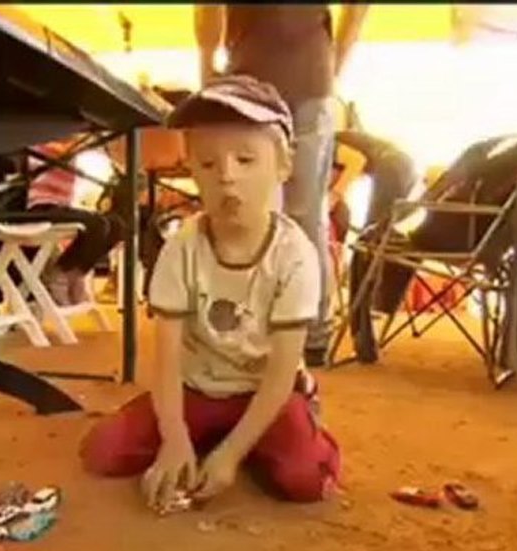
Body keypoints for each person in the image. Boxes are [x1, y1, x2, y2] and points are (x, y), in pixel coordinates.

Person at [79, 75, 342, 511]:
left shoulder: (295, 254)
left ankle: (268, 433)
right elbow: (165, 358)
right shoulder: (182, 246)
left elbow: (278, 373)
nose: (227, 178)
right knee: (103, 452)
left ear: (284, 165)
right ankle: (209, 436)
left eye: (245, 159)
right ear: (191, 171)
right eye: (206, 164)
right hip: (196, 389)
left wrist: (230, 456)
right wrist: (175, 437)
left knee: (304, 481)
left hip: (265, 392)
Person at [194, 4, 369, 366]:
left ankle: (256, 330)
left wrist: (206, 62)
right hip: (304, 76)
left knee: (248, 210)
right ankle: (310, 334)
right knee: (305, 213)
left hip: (255, 76)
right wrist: (334, 63)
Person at [0, 139, 125, 306]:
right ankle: (61, 273)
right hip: (41, 206)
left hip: (61, 207)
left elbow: (115, 156)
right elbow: (36, 155)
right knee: (97, 224)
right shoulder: (40, 144)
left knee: (117, 226)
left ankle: (76, 273)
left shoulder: (75, 147)